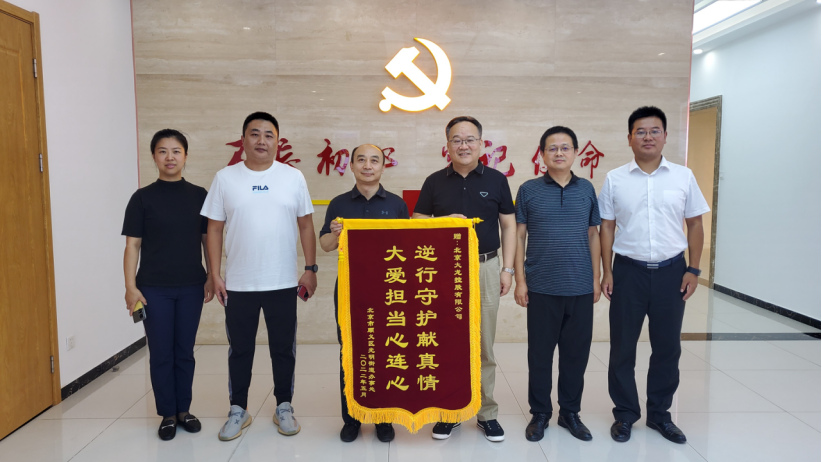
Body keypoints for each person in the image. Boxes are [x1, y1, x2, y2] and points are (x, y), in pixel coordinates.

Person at [201, 112, 318, 441]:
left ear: (278, 141)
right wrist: (214, 274)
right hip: (239, 284)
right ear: (243, 140)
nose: (261, 140)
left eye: (269, 135)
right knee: (240, 350)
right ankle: (238, 409)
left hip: (283, 282)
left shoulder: (293, 177)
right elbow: (214, 229)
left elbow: (306, 225)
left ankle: (284, 406)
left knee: (283, 349)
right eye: (255, 134)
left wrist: (310, 269)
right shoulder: (225, 178)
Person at [599, 106, 710, 444]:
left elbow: (695, 224)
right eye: (641, 131)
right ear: (629, 138)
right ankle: (625, 415)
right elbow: (607, 227)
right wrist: (607, 271)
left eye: (654, 131)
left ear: (664, 136)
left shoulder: (683, 176)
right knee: (622, 348)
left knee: (667, 347)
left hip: (671, 273)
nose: (648, 137)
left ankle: (660, 415)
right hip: (628, 272)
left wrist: (693, 269)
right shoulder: (615, 178)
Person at [412, 116, 516, 442]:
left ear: (481, 144)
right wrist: (443, 222)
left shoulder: (497, 180)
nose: (464, 145)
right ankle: (450, 411)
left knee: (484, 344)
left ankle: (487, 413)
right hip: (444, 270)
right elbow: (417, 221)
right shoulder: (434, 181)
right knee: (447, 342)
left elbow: (509, 226)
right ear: (447, 145)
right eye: (457, 139)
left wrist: (507, 269)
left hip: (486, 266)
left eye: (470, 139)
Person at [122, 129, 213, 441]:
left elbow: (208, 240)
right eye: (163, 151)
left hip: (191, 286)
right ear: (154, 156)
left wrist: (212, 275)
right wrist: (130, 287)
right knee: (161, 352)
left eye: (176, 151)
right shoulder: (142, 198)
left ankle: (184, 410)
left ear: (185, 156)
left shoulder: (200, 195)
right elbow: (132, 245)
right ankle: (167, 414)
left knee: (184, 351)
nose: (170, 157)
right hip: (152, 290)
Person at [514, 126, 602, 442]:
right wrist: (520, 280)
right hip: (541, 287)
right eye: (552, 148)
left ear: (576, 152)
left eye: (565, 147)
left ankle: (570, 413)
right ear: (542, 154)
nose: (559, 153)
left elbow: (593, 234)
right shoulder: (528, 190)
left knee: (575, 355)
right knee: (540, 355)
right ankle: (540, 413)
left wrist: (596, 278)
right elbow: (519, 236)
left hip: (580, 286)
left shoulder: (586, 189)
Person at [320, 144, 409, 444]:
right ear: (352, 166)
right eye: (361, 160)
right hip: (349, 289)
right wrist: (334, 234)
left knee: (387, 350)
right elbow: (325, 245)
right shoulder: (338, 203)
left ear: (383, 166)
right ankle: (352, 417)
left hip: (389, 290)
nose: (367, 166)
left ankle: (383, 418)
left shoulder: (396, 204)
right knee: (350, 350)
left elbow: (408, 247)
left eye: (374, 160)